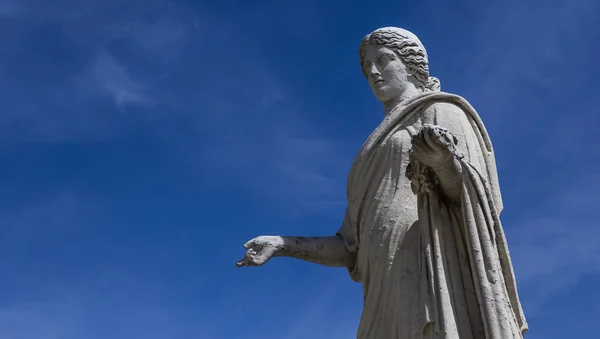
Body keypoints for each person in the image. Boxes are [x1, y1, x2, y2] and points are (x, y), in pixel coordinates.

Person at [236, 27, 528, 339]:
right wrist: (284, 245)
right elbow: (349, 248)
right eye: (366, 67)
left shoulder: (440, 109)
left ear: (411, 63)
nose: (373, 71)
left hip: (431, 271)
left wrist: (444, 162)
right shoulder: (369, 152)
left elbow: (474, 201)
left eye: (384, 60)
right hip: (383, 285)